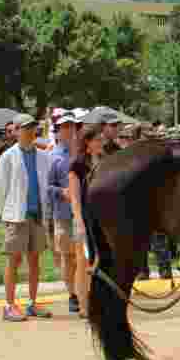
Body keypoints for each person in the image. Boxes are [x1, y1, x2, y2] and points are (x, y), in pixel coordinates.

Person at [0, 114, 53, 322]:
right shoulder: (8, 156)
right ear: (16, 130)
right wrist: (6, 216)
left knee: (35, 259)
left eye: (32, 127)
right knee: (14, 260)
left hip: (37, 215)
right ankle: (9, 305)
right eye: (25, 127)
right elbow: (0, 190)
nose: (29, 131)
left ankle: (32, 303)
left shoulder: (43, 155)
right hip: (16, 216)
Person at [47, 111, 81, 314]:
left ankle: (84, 290)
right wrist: (62, 192)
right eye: (65, 127)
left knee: (84, 257)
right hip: (64, 214)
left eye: (73, 127)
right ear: (57, 132)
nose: (70, 131)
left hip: (85, 214)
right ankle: (72, 294)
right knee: (68, 257)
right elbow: (47, 186)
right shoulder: (53, 156)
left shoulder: (83, 154)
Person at [69, 124, 103, 318]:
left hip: (101, 219)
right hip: (84, 218)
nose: (101, 143)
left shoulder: (104, 162)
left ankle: (96, 301)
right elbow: (74, 196)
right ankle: (83, 305)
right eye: (97, 140)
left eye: (101, 140)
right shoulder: (78, 165)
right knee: (82, 262)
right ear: (87, 143)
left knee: (99, 261)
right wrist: (79, 220)